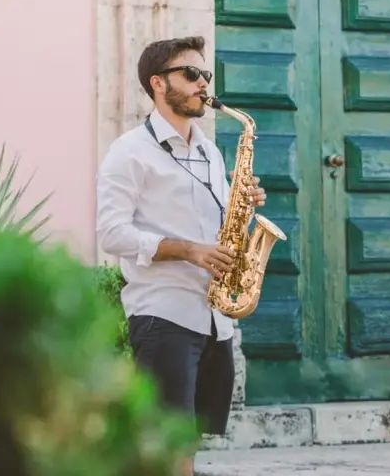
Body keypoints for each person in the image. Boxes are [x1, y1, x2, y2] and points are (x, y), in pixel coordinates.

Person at [96, 36, 265, 475]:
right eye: (190, 74)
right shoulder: (129, 152)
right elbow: (112, 233)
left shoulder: (209, 151)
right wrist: (189, 250)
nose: (202, 83)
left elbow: (218, 224)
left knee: (186, 444)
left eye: (204, 74)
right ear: (158, 83)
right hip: (164, 315)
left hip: (212, 317)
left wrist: (243, 206)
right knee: (163, 448)